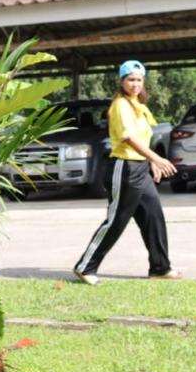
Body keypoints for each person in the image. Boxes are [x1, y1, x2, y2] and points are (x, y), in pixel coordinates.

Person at [73, 59, 180, 284]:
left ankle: (160, 268)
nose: (135, 84)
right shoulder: (120, 105)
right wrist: (157, 158)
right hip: (124, 167)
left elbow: (143, 138)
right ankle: (86, 266)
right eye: (130, 79)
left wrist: (150, 163)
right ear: (122, 81)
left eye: (139, 80)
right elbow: (128, 138)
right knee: (117, 219)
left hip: (141, 168)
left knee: (153, 215)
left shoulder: (138, 105)